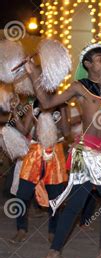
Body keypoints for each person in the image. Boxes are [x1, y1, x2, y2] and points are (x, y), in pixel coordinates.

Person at [25, 43, 101, 258]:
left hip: (99, 153)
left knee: (75, 205)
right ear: (88, 64)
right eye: (100, 59)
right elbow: (47, 103)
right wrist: (33, 73)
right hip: (87, 152)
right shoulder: (80, 87)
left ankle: (53, 254)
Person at [9, 99, 69, 244]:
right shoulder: (33, 105)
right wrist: (15, 112)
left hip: (55, 155)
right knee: (22, 195)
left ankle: (53, 231)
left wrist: (61, 107)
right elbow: (24, 130)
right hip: (34, 154)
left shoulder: (62, 105)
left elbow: (67, 132)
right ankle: (21, 230)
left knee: (55, 198)